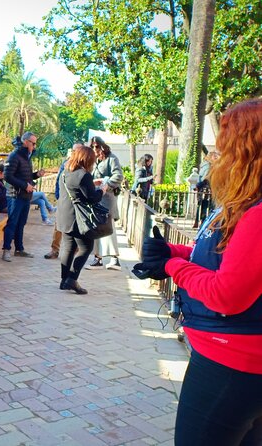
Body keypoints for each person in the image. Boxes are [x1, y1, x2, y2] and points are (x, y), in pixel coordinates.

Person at [132, 98, 262, 445]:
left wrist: (173, 266)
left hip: (233, 364)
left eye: (225, 146)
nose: (215, 157)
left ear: (247, 150)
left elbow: (227, 294)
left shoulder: (257, 213)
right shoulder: (246, 203)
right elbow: (230, 259)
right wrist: (173, 252)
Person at [56, 144, 104, 294]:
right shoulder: (84, 175)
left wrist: (92, 185)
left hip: (64, 215)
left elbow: (77, 190)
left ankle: (64, 281)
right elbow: (91, 198)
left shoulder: (66, 172)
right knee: (86, 248)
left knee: (68, 248)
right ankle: (72, 279)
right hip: (78, 218)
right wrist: (102, 190)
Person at [2, 132, 45, 262]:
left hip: (25, 196)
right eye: (33, 143)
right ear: (25, 142)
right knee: (12, 223)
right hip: (15, 196)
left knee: (21, 223)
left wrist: (36, 175)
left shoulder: (26, 157)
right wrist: (24, 185)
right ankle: (6, 250)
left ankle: (19, 249)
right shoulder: (14, 156)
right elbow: (7, 176)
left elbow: (25, 176)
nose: (34, 146)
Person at [85, 136, 124, 271]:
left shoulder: (111, 159)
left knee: (108, 228)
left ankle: (114, 259)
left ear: (102, 146)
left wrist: (106, 183)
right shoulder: (93, 160)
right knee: (96, 228)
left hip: (107, 199)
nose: (95, 149)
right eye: (92, 146)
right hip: (95, 198)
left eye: (96, 146)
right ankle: (98, 258)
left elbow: (118, 175)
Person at [44, 147, 73, 259]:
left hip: (76, 203)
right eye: (72, 151)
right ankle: (54, 250)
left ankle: (73, 252)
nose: (73, 154)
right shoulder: (65, 164)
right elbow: (58, 181)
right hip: (64, 200)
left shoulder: (83, 166)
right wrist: (59, 196)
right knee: (58, 226)